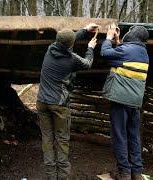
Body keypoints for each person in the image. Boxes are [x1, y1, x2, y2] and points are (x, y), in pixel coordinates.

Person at [37, 24, 98, 180]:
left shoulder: (50, 50)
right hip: (58, 105)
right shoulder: (71, 60)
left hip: (42, 102)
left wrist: (84, 30)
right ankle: (62, 176)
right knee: (62, 139)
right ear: (70, 45)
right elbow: (88, 63)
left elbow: (67, 41)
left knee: (47, 138)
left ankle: (51, 176)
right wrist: (90, 47)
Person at [100, 25, 149, 180]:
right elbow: (125, 58)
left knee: (119, 136)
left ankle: (124, 172)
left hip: (121, 101)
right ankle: (137, 172)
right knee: (133, 136)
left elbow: (105, 53)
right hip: (135, 103)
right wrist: (118, 41)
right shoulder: (143, 53)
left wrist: (108, 38)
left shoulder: (126, 51)